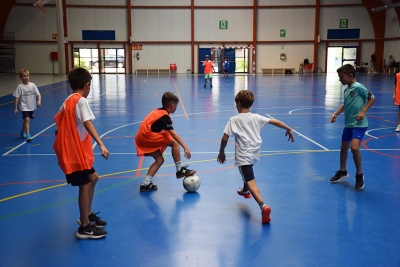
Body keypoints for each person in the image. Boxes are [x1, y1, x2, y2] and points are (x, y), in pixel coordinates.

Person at [217, 90, 295, 224]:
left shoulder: (234, 120)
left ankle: (263, 206)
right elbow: (275, 122)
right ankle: (245, 190)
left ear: (238, 103)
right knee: (247, 172)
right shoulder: (256, 117)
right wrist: (288, 128)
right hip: (255, 151)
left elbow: (224, 138)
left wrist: (221, 152)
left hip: (243, 154)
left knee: (250, 179)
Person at [53, 67, 110, 239]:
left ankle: (88, 214)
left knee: (93, 178)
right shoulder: (80, 101)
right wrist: (101, 144)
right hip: (74, 155)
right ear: (87, 85)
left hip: (72, 152)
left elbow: (58, 125)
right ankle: (84, 227)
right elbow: (88, 123)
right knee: (84, 185)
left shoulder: (67, 101)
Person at [135, 91, 196, 192]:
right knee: (174, 142)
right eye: (176, 106)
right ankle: (179, 169)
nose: (176, 108)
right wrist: (185, 146)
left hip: (141, 138)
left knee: (160, 160)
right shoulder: (164, 116)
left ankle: (146, 183)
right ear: (172, 106)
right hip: (147, 137)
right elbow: (173, 134)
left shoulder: (157, 111)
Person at [329, 64, 376, 190]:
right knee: (343, 147)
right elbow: (345, 104)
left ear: (350, 76)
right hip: (349, 124)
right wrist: (335, 114)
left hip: (359, 124)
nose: (340, 80)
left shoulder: (359, 87)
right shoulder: (346, 90)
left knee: (354, 148)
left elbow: (372, 98)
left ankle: (359, 175)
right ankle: (342, 171)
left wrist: (363, 111)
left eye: (341, 77)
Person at [13, 69, 41, 142]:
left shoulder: (33, 85)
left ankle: (22, 132)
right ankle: (28, 135)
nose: (26, 77)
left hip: (31, 106)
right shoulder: (20, 87)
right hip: (24, 106)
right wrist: (15, 108)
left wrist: (39, 101)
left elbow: (38, 94)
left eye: (27, 75)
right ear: (21, 77)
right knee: (27, 119)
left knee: (26, 120)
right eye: (24, 76)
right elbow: (16, 98)